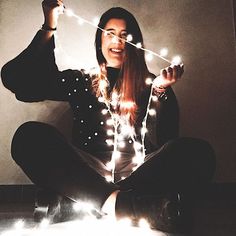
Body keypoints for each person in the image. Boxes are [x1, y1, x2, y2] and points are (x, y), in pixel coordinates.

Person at [1, 0, 215, 233]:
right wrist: (49, 25)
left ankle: (86, 203)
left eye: (125, 35)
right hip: (88, 171)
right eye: (110, 33)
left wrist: (160, 92)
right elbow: (17, 80)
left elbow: (169, 141)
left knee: (199, 152)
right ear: (99, 40)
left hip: (139, 173)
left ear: (135, 43)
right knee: (28, 136)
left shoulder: (153, 83)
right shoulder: (82, 81)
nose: (117, 41)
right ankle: (125, 205)